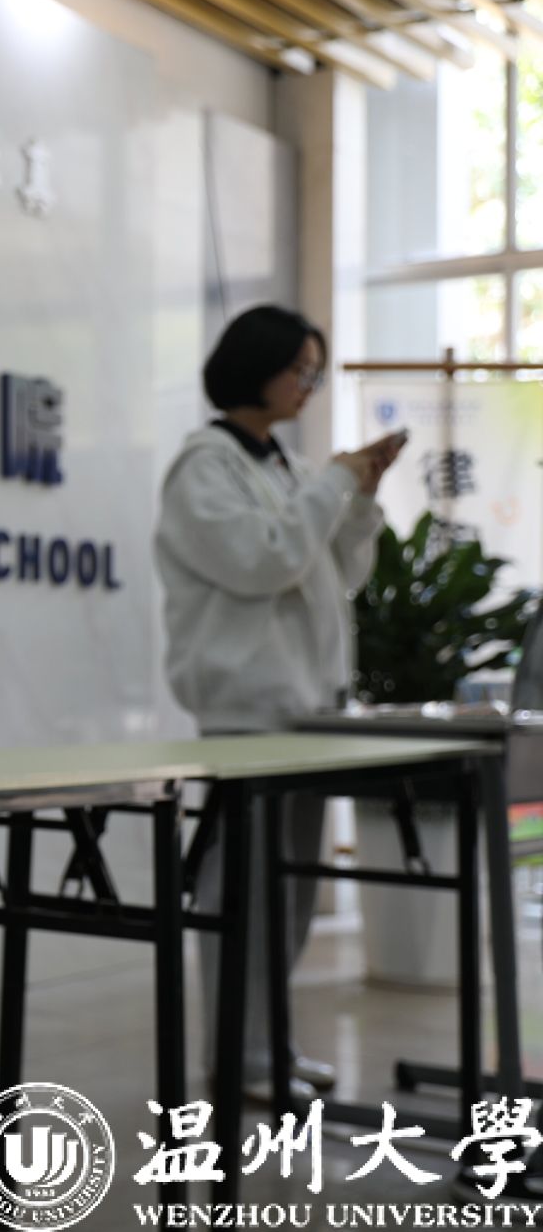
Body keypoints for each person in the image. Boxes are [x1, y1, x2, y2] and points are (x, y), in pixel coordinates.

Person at [154, 304, 405, 1103]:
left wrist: (357, 496)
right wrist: (335, 481)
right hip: (247, 716)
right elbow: (263, 562)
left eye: (314, 372)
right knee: (244, 892)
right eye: (300, 368)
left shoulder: (286, 468)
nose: (308, 384)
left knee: (289, 892)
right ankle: (241, 1057)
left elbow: (339, 574)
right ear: (255, 365)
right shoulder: (202, 467)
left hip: (307, 713)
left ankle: (269, 1045)